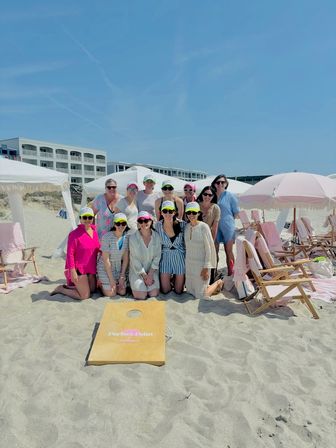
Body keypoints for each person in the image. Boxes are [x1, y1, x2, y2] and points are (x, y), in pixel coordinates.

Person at [51, 207, 100, 300]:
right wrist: (73, 271)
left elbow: (98, 249)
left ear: (93, 218)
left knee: (93, 290)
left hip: (91, 269)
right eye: (84, 217)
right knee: (85, 296)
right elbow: (70, 254)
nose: (87, 220)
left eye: (90, 217)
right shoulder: (74, 234)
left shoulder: (95, 232)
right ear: (80, 218)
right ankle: (61, 289)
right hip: (79, 269)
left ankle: (74, 286)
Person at [184, 202, 223, 300]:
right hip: (189, 265)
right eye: (189, 212)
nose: (191, 215)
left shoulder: (204, 227)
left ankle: (218, 282)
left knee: (201, 296)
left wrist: (206, 268)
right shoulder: (186, 227)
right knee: (189, 291)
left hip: (201, 266)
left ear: (198, 213)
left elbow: (209, 249)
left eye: (194, 212)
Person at [211, 174, 240, 276]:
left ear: (226, 184)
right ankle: (213, 274)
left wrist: (227, 218)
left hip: (228, 226)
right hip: (214, 226)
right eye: (217, 182)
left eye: (222, 182)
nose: (220, 184)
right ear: (214, 184)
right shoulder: (211, 195)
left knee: (229, 252)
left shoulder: (231, 196)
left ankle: (231, 274)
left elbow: (237, 213)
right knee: (214, 251)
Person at [155, 200, 186, 294]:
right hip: (165, 257)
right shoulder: (157, 226)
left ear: (174, 212)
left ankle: (174, 279)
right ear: (161, 212)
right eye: (165, 211)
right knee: (165, 291)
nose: (168, 213)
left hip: (179, 256)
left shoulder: (182, 224)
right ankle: (171, 278)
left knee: (178, 291)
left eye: (170, 211)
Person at [129, 211, 161, 299]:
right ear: (138, 223)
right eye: (140, 221)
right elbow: (134, 259)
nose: (143, 223)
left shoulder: (157, 236)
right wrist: (144, 276)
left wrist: (150, 275)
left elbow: (157, 256)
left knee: (153, 293)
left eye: (146, 220)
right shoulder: (132, 238)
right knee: (142, 295)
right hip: (137, 272)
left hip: (152, 271)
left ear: (151, 221)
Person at [97, 213, 129, 297]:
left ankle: (109, 284)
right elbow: (106, 260)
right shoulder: (107, 237)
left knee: (122, 292)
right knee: (111, 293)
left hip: (118, 268)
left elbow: (125, 259)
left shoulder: (126, 238)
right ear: (114, 224)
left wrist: (122, 276)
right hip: (105, 268)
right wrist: (111, 279)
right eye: (118, 223)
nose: (121, 226)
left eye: (123, 223)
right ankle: (100, 283)